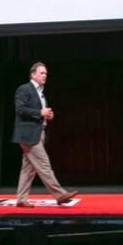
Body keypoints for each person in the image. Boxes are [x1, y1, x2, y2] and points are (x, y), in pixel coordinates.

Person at [12, 62, 75, 207]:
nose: (45, 76)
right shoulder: (24, 89)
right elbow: (20, 109)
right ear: (33, 74)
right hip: (28, 134)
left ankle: (21, 199)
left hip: (38, 132)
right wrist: (40, 112)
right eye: (42, 73)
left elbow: (37, 113)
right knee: (43, 163)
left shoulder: (40, 92)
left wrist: (47, 115)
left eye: (46, 73)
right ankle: (59, 194)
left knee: (28, 169)